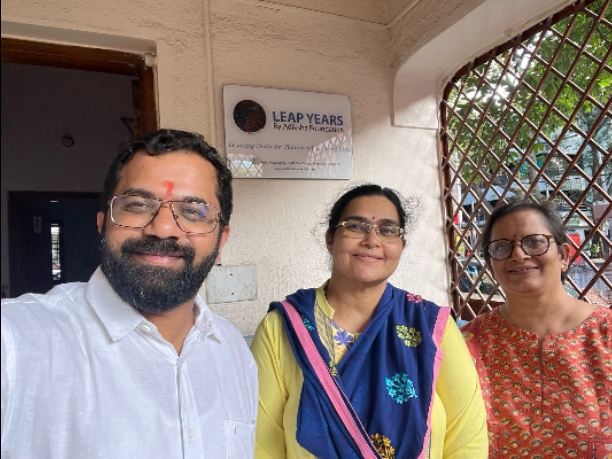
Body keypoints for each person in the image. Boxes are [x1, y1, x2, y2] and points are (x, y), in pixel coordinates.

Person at [1, 129, 257, 458]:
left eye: (193, 212)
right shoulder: (17, 344)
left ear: (221, 241)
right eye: (137, 205)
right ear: (101, 224)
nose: (163, 228)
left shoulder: (233, 349)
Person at [251, 184, 488, 459]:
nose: (372, 240)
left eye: (387, 230)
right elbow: (260, 445)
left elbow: (467, 440)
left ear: (401, 246)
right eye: (355, 226)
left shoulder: (431, 327)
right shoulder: (282, 329)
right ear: (330, 239)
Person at [460, 200, 612, 458]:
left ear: (564, 256)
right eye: (501, 247)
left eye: (534, 242)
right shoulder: (467, 344)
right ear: (491, 265)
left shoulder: (606, 334)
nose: (518, 254)